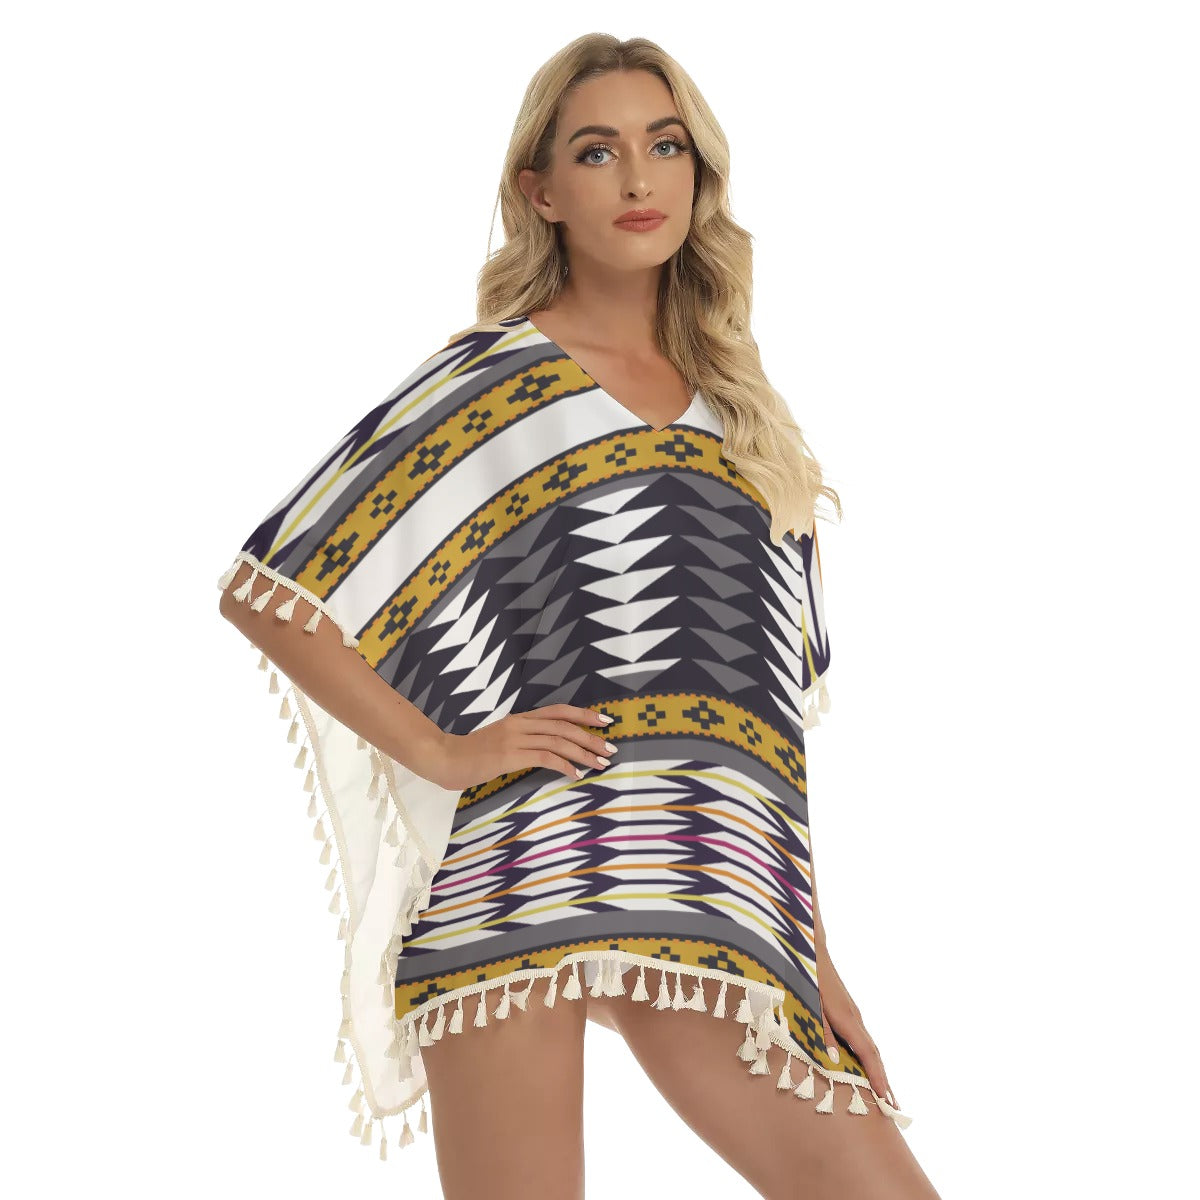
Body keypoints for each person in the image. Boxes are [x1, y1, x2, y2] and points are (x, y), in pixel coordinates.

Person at [216, 32, 942, 1200]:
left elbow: (763, 727)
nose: (639, 179)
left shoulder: (746, 423)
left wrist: (815, 961)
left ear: (701, 175)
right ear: (542, 192)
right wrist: (447, 752)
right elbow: (273, 591)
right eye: (598, 153)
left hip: (709, 891)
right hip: (516, 880)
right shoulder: (494, 380)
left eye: (666, 146)